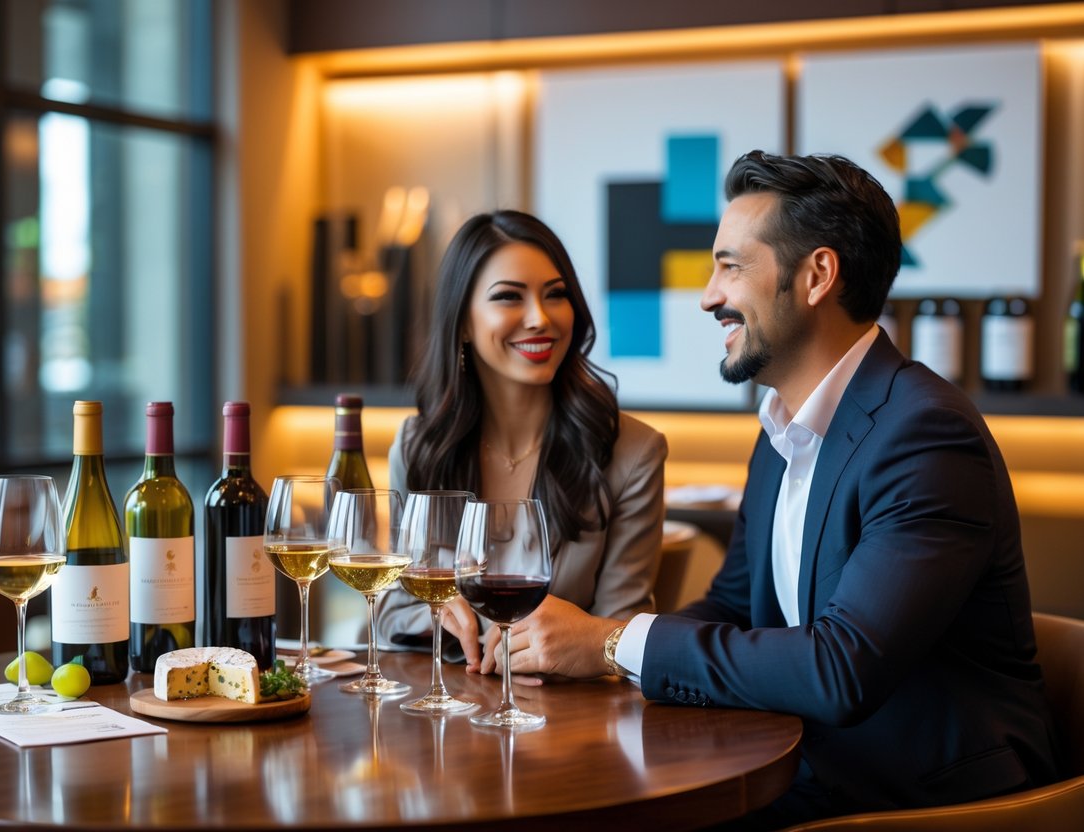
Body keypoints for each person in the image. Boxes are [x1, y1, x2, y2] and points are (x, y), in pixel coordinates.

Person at [488, 152, 1061, 825]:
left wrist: (610, 644)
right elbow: (734, 605)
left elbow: (841, 669)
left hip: (921, 798)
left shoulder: (925, 435)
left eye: (730, 267)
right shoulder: (784, 427)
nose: (708, 295)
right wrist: (579, 654)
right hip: (810, 769)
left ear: (816, 275)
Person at [377, 209, 667, 670]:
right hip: (444, 715)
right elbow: (390, 608)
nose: (540, 318)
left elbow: (621, 632)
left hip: (567, 720)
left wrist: (579, 644)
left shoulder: (634, 453)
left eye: (556, 295)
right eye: (509, 297)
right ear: (464, 323)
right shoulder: (419, 446)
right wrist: (438, 617)